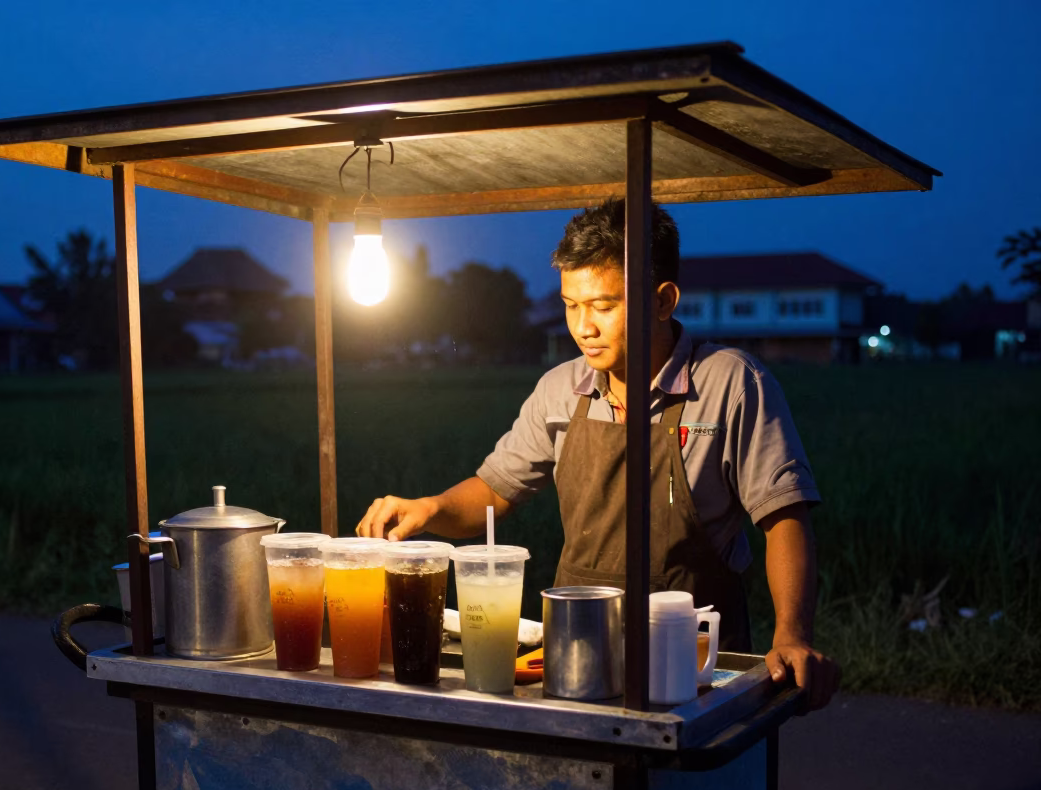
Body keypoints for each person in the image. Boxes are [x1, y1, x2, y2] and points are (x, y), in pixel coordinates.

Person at [356, 198, 840, 712]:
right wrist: (430, 508)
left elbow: (784, 517)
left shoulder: (731, 384)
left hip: (692, 657)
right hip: (578, 652)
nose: (583, 327)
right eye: (571, 304)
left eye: (604, 306)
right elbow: (497, 490)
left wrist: (791, 633)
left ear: (663, 300)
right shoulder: (560, 390)